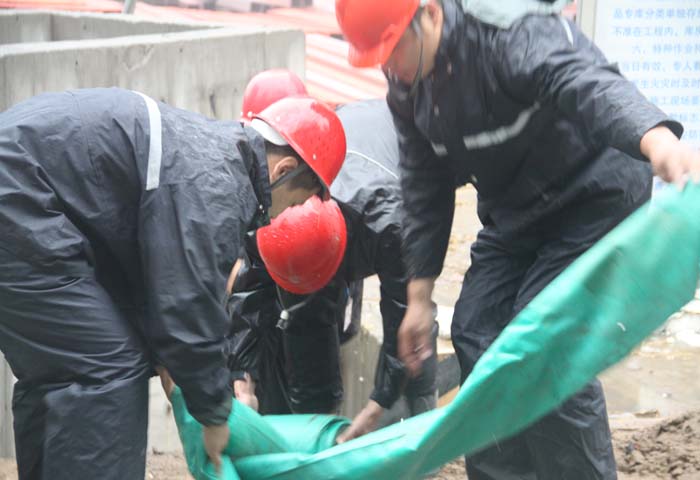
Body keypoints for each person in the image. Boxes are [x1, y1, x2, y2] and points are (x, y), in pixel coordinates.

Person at [336, 0, 700, 478]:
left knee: (548, 339)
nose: (390, 68)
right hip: (517, 211)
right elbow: (424, 185)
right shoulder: (407, 87)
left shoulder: (507, 32)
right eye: (379, 59)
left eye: (393, 50)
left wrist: (657, 140)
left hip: (592, 193)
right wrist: (419, 298)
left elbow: (586, 82)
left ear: (430, 15)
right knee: (475, 330)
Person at [0, 87, 346, 479]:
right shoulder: (216, 186)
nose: (283, 217)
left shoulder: (210, 157)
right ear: (284, 171)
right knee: (107, 370)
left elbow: (156, 292)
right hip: (20, 197)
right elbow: (185, 308)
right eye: (297, 203)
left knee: (62, 375)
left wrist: (182, 373)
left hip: (27, 195)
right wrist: (215, 416)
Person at [227, 72, 438, 442]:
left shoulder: (387, 224)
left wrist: (381, 401)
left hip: (397, 167)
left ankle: (421, 422)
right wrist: (242, 378)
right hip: (334, 193)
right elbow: (247, 292)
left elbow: (404, 314)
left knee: (413, 346)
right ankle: (316, 439)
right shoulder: (272, 205)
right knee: (303, 322)